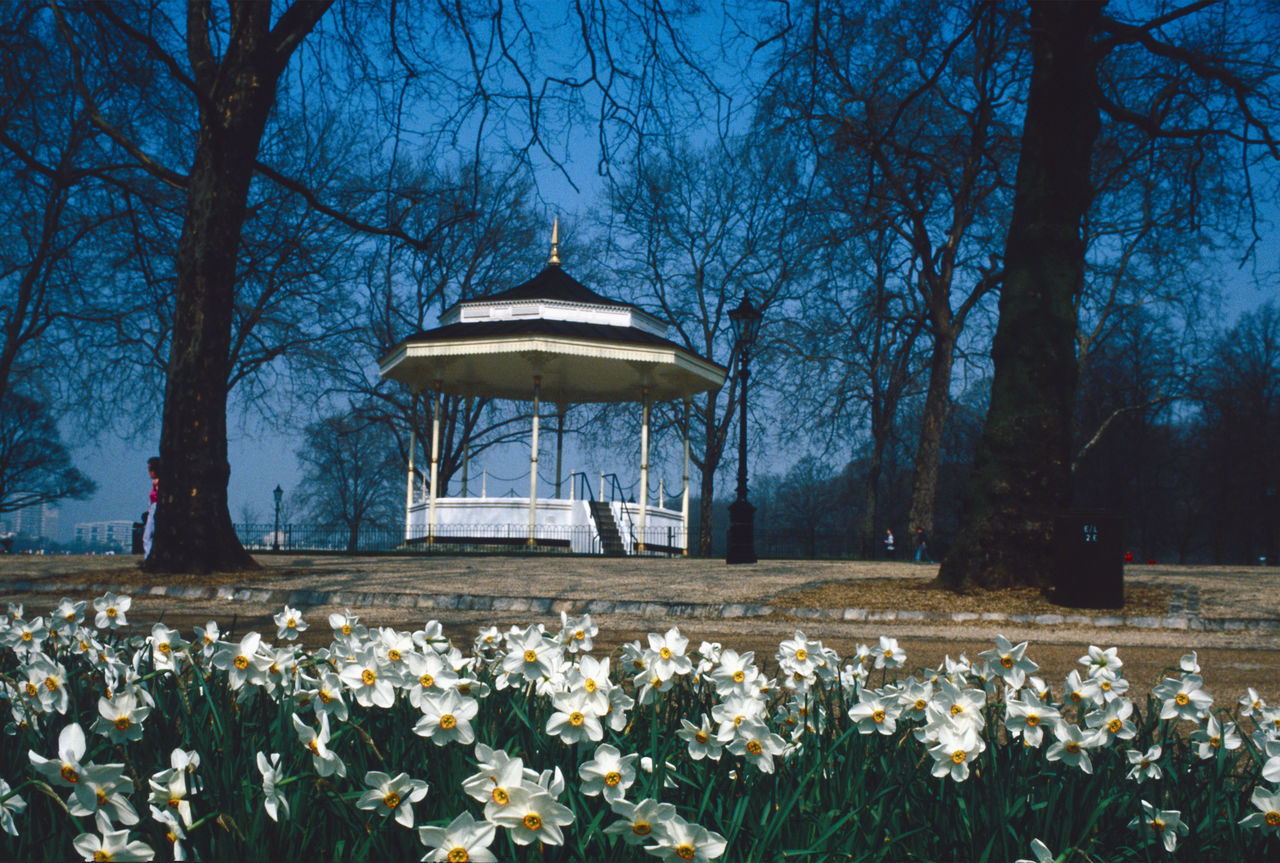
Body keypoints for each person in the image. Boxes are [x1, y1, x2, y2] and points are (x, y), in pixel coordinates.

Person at [142, 456, 160, 559]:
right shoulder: (155, 483)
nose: (149, 472)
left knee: (147, 536)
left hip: (155, 509)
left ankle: (148, 557)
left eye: (150, 470)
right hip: (152, 508)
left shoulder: (157, 483)